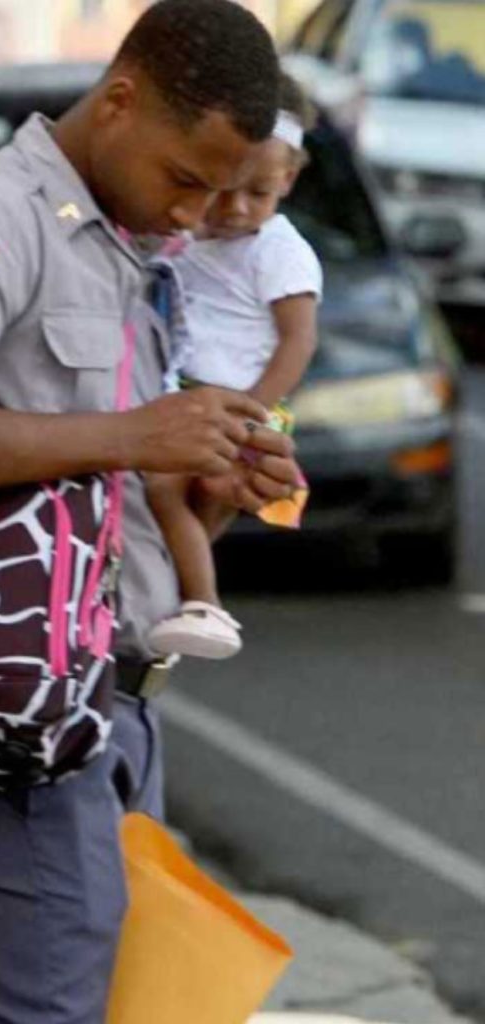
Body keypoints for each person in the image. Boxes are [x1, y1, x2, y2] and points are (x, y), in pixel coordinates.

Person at [0, 2, 299, 1021]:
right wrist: (135, 436)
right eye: (185, 179)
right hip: (22, 712)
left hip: (116, 698)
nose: (195, 215)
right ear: (118, 100)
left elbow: (115, 491)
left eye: (222, 193)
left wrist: (209, 482)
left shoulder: (128, 244)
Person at [146, 72, 322, 661]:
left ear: (288, 180)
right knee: (173, 502)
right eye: (224, 188)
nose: (236, 209)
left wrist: (252, 414)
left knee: (166, 492)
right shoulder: (187, 236)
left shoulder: (279, 250)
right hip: (185, 395)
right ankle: (174, 598)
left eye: (259, 193)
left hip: (235, 404)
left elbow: (297, 341)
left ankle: (202, 603)